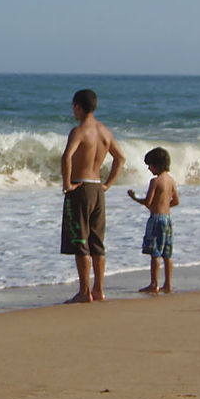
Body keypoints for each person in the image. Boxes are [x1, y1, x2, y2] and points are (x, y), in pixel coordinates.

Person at [61, 89, 125, 303]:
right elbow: (120, 158)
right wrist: (108, 183)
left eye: (73, 107)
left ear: (78, 106)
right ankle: (98, 289)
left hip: (81, 187)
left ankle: (84, 291)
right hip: (98, 188)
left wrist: (67, 184)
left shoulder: (79, 131)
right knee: (97, 242)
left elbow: (67, 157)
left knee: (81, 241)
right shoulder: (105, 132)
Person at [127, 147, 180, 294]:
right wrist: (164, 205)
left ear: (157, 165)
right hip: (168, 219)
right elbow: (176, 201)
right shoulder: (171, 180)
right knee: (167, 254)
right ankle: (168, 284)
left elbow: (148, 202)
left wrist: (134, 198)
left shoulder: (155, 181)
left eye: (150, 165)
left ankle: (154, 284)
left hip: (156, 219)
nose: (149, 169)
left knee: (155, 253)